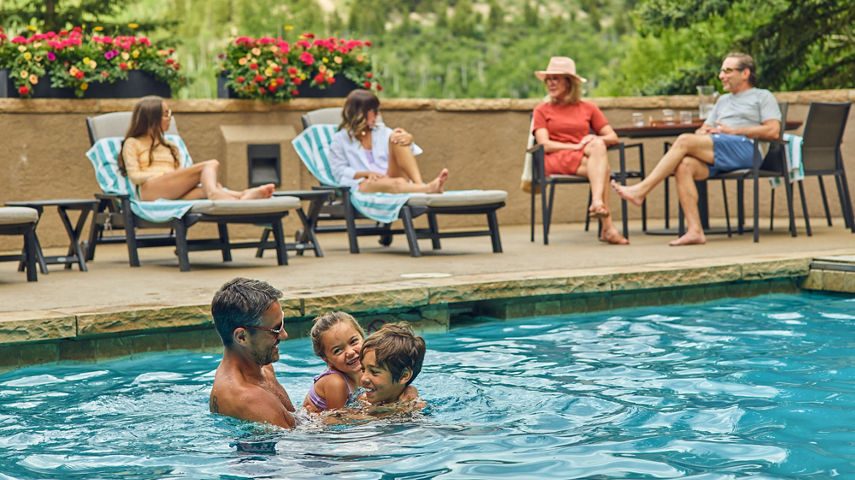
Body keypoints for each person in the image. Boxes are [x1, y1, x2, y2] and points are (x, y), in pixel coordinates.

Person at [612, 52, 782, 246]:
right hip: (720, 147)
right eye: (721, 71)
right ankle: (695, 231)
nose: (721, 76)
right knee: (684, 165)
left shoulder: (762, 96)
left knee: (684, 140)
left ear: (745, 74)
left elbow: (773, 130)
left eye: (727, 70)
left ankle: (642, 190)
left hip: (747, 151)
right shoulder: (723, 101)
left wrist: (734, 130)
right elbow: (704, 127)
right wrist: (703, 132)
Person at [532, 56, 628, 245]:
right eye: (548, 79)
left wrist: (594, 138)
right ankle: (606, 224)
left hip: (585, 158)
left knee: (599, 147)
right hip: (555, 158)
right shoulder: (541, 110)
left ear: (569, 83)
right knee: (603, 169)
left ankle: (599, 209)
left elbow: (612, 137)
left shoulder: (588, 108)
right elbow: (544, 144)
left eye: (556, 79)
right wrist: (575, 146)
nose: (550, 83)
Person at [118, 95, 275, 202]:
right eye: (166, 114)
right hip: (150, 191)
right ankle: (222, 194)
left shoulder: (171, 146)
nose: (169, 118)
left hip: (171, 191)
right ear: (152, 118)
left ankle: (242, 197)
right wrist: (164, 174)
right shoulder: (133, 143)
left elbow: (178, 175)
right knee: (210, 164)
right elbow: (134, 176)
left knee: (208, 188)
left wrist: (176, 178)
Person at [209, 278, 296, 428]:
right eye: (275, 329)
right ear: (242, 337)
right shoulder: (251, 400)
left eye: (281, 323)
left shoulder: (261, 364)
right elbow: (298, 446)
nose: (283, 334)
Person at [328, 89, 449, 194]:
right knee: (397, 182)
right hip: (363, 183)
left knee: (396, 137)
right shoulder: (340, 139)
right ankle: (426, 189)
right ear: (361, 114)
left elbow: (407, 152)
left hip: (389, 175)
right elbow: (339, 171)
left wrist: (409, 138)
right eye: (374, 111)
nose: (378, 114)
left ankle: (420, 185)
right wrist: (366, 174)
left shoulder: (381, 131)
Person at [303, 311, 366, 413]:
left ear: (363, 337)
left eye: (353, 341)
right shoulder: (335, 382)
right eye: (337, 350)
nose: (349, 352)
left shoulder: (368, 370)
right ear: (326, 359)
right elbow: (335, 421)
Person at [358, 322, 425, 406]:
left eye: (374, 372)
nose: (363, 379)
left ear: (403, 376)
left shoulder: (415, 409)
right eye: (363, 369)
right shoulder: (363, 400)